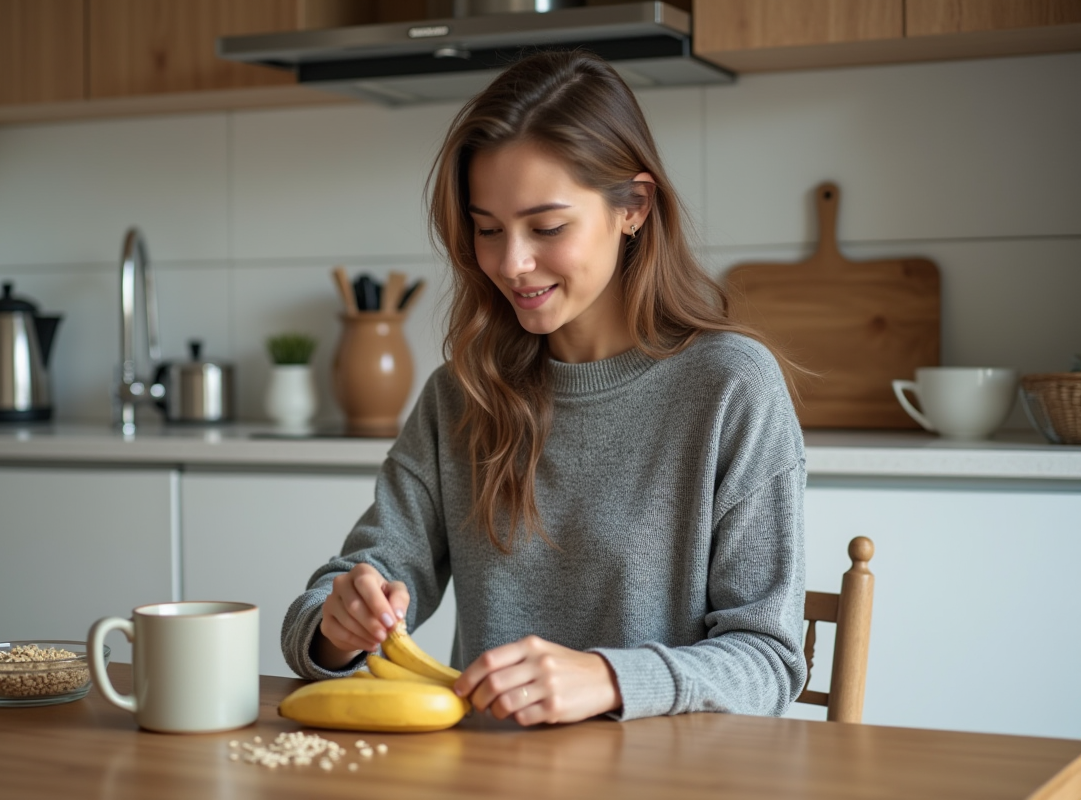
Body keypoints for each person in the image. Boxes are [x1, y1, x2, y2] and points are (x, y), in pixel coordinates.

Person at [282, 50, 806, 725]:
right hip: (485, 767)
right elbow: (333, 598)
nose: (511, 263)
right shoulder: (461, 395)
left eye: (547, 227)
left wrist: (610, 679)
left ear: (634, 207)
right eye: (487, 229)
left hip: (666, 771)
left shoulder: (731, 387)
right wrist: (340, 621)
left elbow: (769, 662)